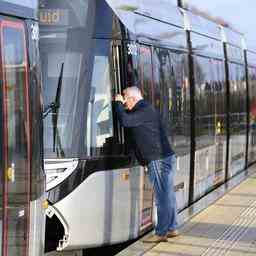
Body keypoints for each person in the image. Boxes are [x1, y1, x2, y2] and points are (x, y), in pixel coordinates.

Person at [114, 86, 179, 243]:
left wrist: (116, 104)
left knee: (162, 196)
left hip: (158, 159)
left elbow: (126, 121)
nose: (124, 105)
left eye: (125, 100)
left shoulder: (144, 110)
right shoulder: (145, 109)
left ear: (133, 98)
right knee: (168, 194)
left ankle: (161, 232)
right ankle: (171, 228)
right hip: (163, 157)